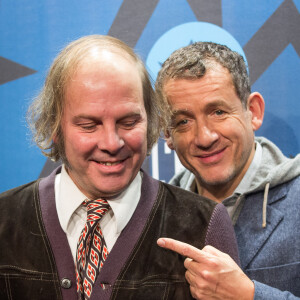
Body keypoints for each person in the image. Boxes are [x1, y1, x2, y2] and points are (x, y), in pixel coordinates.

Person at [0, 36, 239, 300]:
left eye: (128, 121)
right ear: (55, 127)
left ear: (152, 122)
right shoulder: (4, 218)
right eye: (89, 125)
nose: (111, 143)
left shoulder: (203, 224)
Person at [155, 41, 300, 299]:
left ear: (253, 112)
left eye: (218, 112)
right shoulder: (157, 213)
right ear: (167, 134)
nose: (204, 137)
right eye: (183, 121)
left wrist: (248, 295)